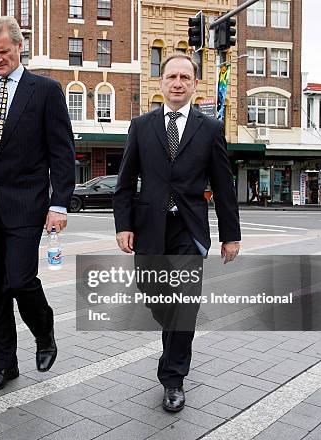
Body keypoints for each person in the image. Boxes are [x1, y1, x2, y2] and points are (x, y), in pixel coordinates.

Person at [113, 53, 241, 412]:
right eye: (172, 76)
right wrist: (123, 225)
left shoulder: (210, 129)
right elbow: (125, 183)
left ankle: (173, 379)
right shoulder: (141, 126)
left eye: (186, 77)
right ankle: (172, 343)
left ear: (195, 85)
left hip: (189, 229)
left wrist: (231, 235)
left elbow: (223, 187)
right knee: (156, 296)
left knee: (185, 304)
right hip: (149, 228)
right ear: (161, 82)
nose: (178, 82)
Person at [0, 17, 75, 392]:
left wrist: (59, 204)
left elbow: (62, 153)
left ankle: (44, 330)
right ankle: (3, 364)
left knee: (20, 281)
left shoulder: (46, 91)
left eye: (3, 52)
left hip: (26, 206)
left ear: (19, 47)